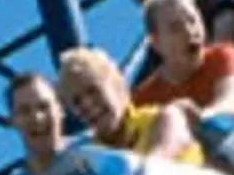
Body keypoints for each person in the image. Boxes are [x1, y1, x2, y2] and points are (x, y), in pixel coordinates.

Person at [138, 0, 234, 120]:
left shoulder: (224, 56)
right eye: (175, 28)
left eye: (193, 21)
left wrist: (196, 119)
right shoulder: (144, 99)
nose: (190, 32)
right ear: (156, 42)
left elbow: (230, 102)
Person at [57, 44, 197, 160]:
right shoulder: (90, 159)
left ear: (116, 84)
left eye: (93, 90)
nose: (87, 104)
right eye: (77, 102)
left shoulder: (165, 119)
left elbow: (157, 163)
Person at [8, 71, 67, 175]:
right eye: (25, 111)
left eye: (44, 106)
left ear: (61, 109)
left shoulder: (96, 148)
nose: (37, 117)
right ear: (13, 121)